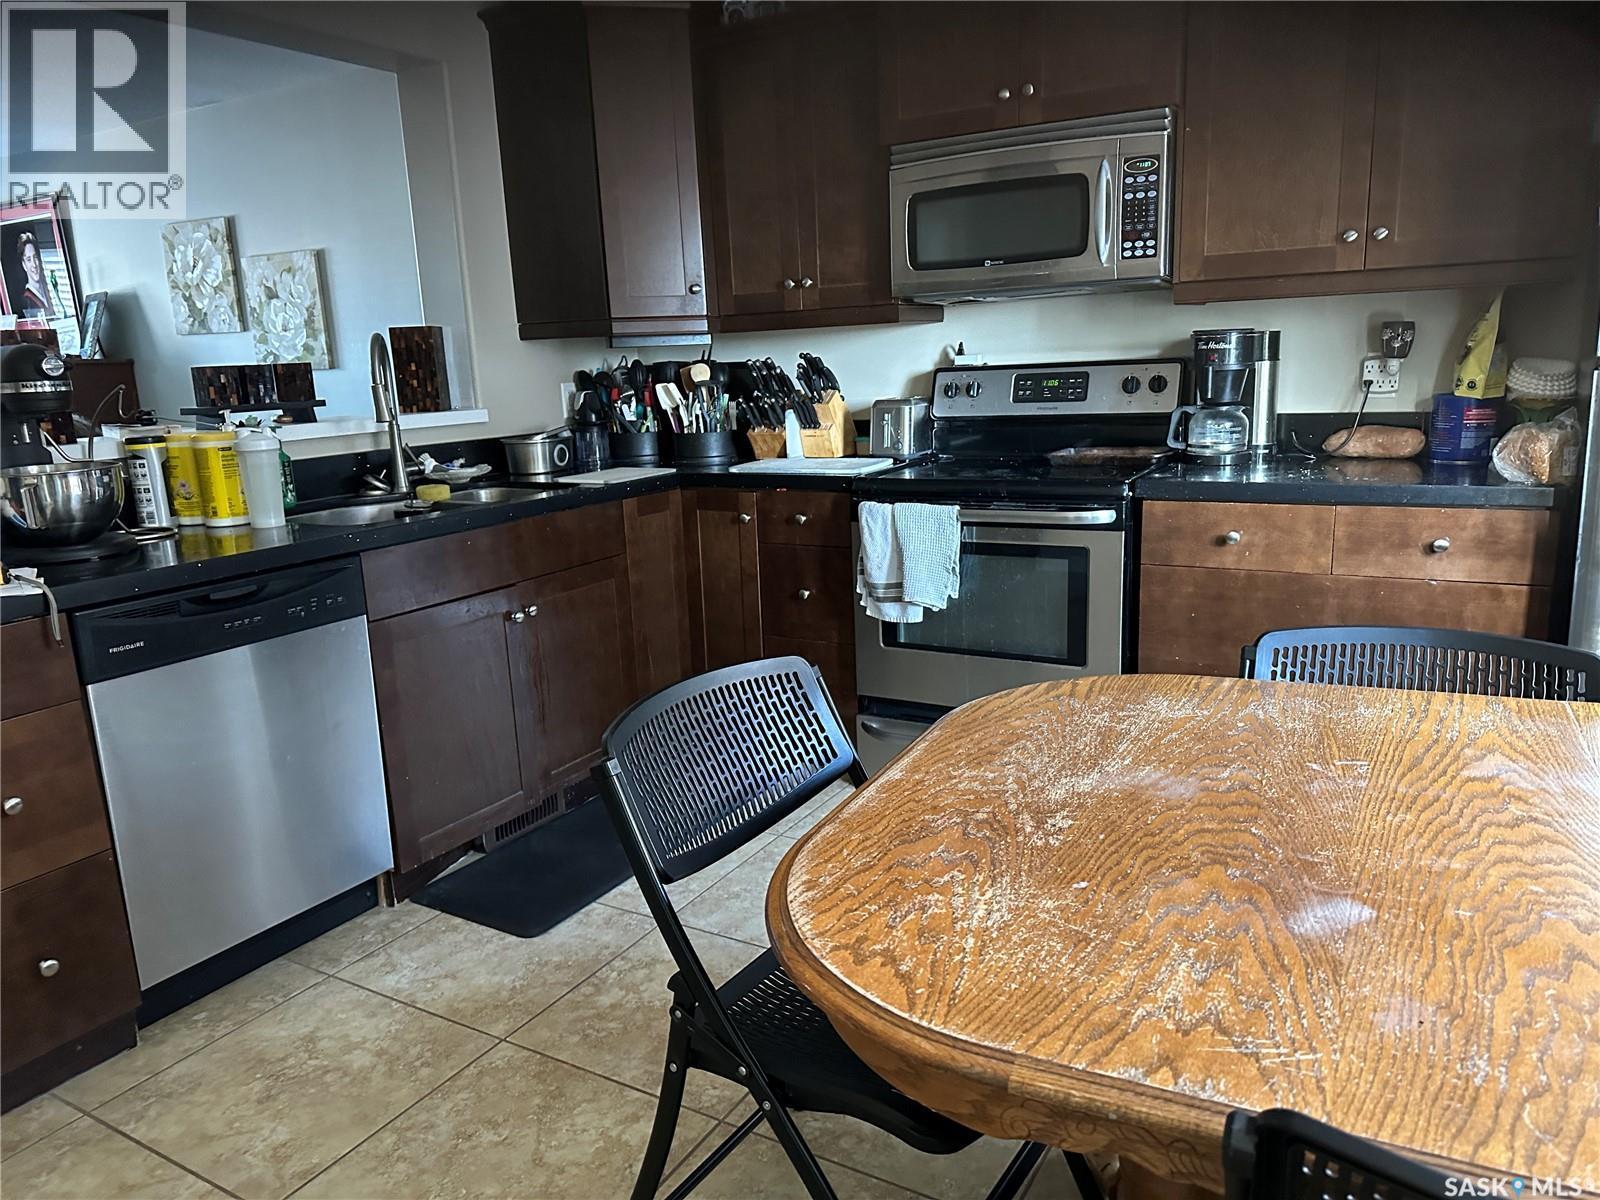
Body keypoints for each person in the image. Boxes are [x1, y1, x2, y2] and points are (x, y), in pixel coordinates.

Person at [15, 231, 56, 319]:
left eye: (35, 257)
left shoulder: (48, 291)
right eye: (29, 260)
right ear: (24, 265)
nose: (34, 264)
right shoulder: (26, 300)